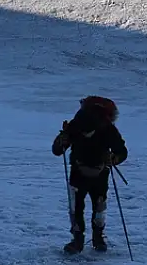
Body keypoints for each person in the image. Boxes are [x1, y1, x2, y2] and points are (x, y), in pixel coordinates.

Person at [52, 96, 128, 253]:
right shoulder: (108, 128)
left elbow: (58, 150)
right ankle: (97, 239)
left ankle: (78, 240)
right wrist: (114, 158)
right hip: (99, 173)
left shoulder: (76, 124)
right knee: (98, 206)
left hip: (78, 172)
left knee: (76, 207)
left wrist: (62, 140)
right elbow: (121, 151)